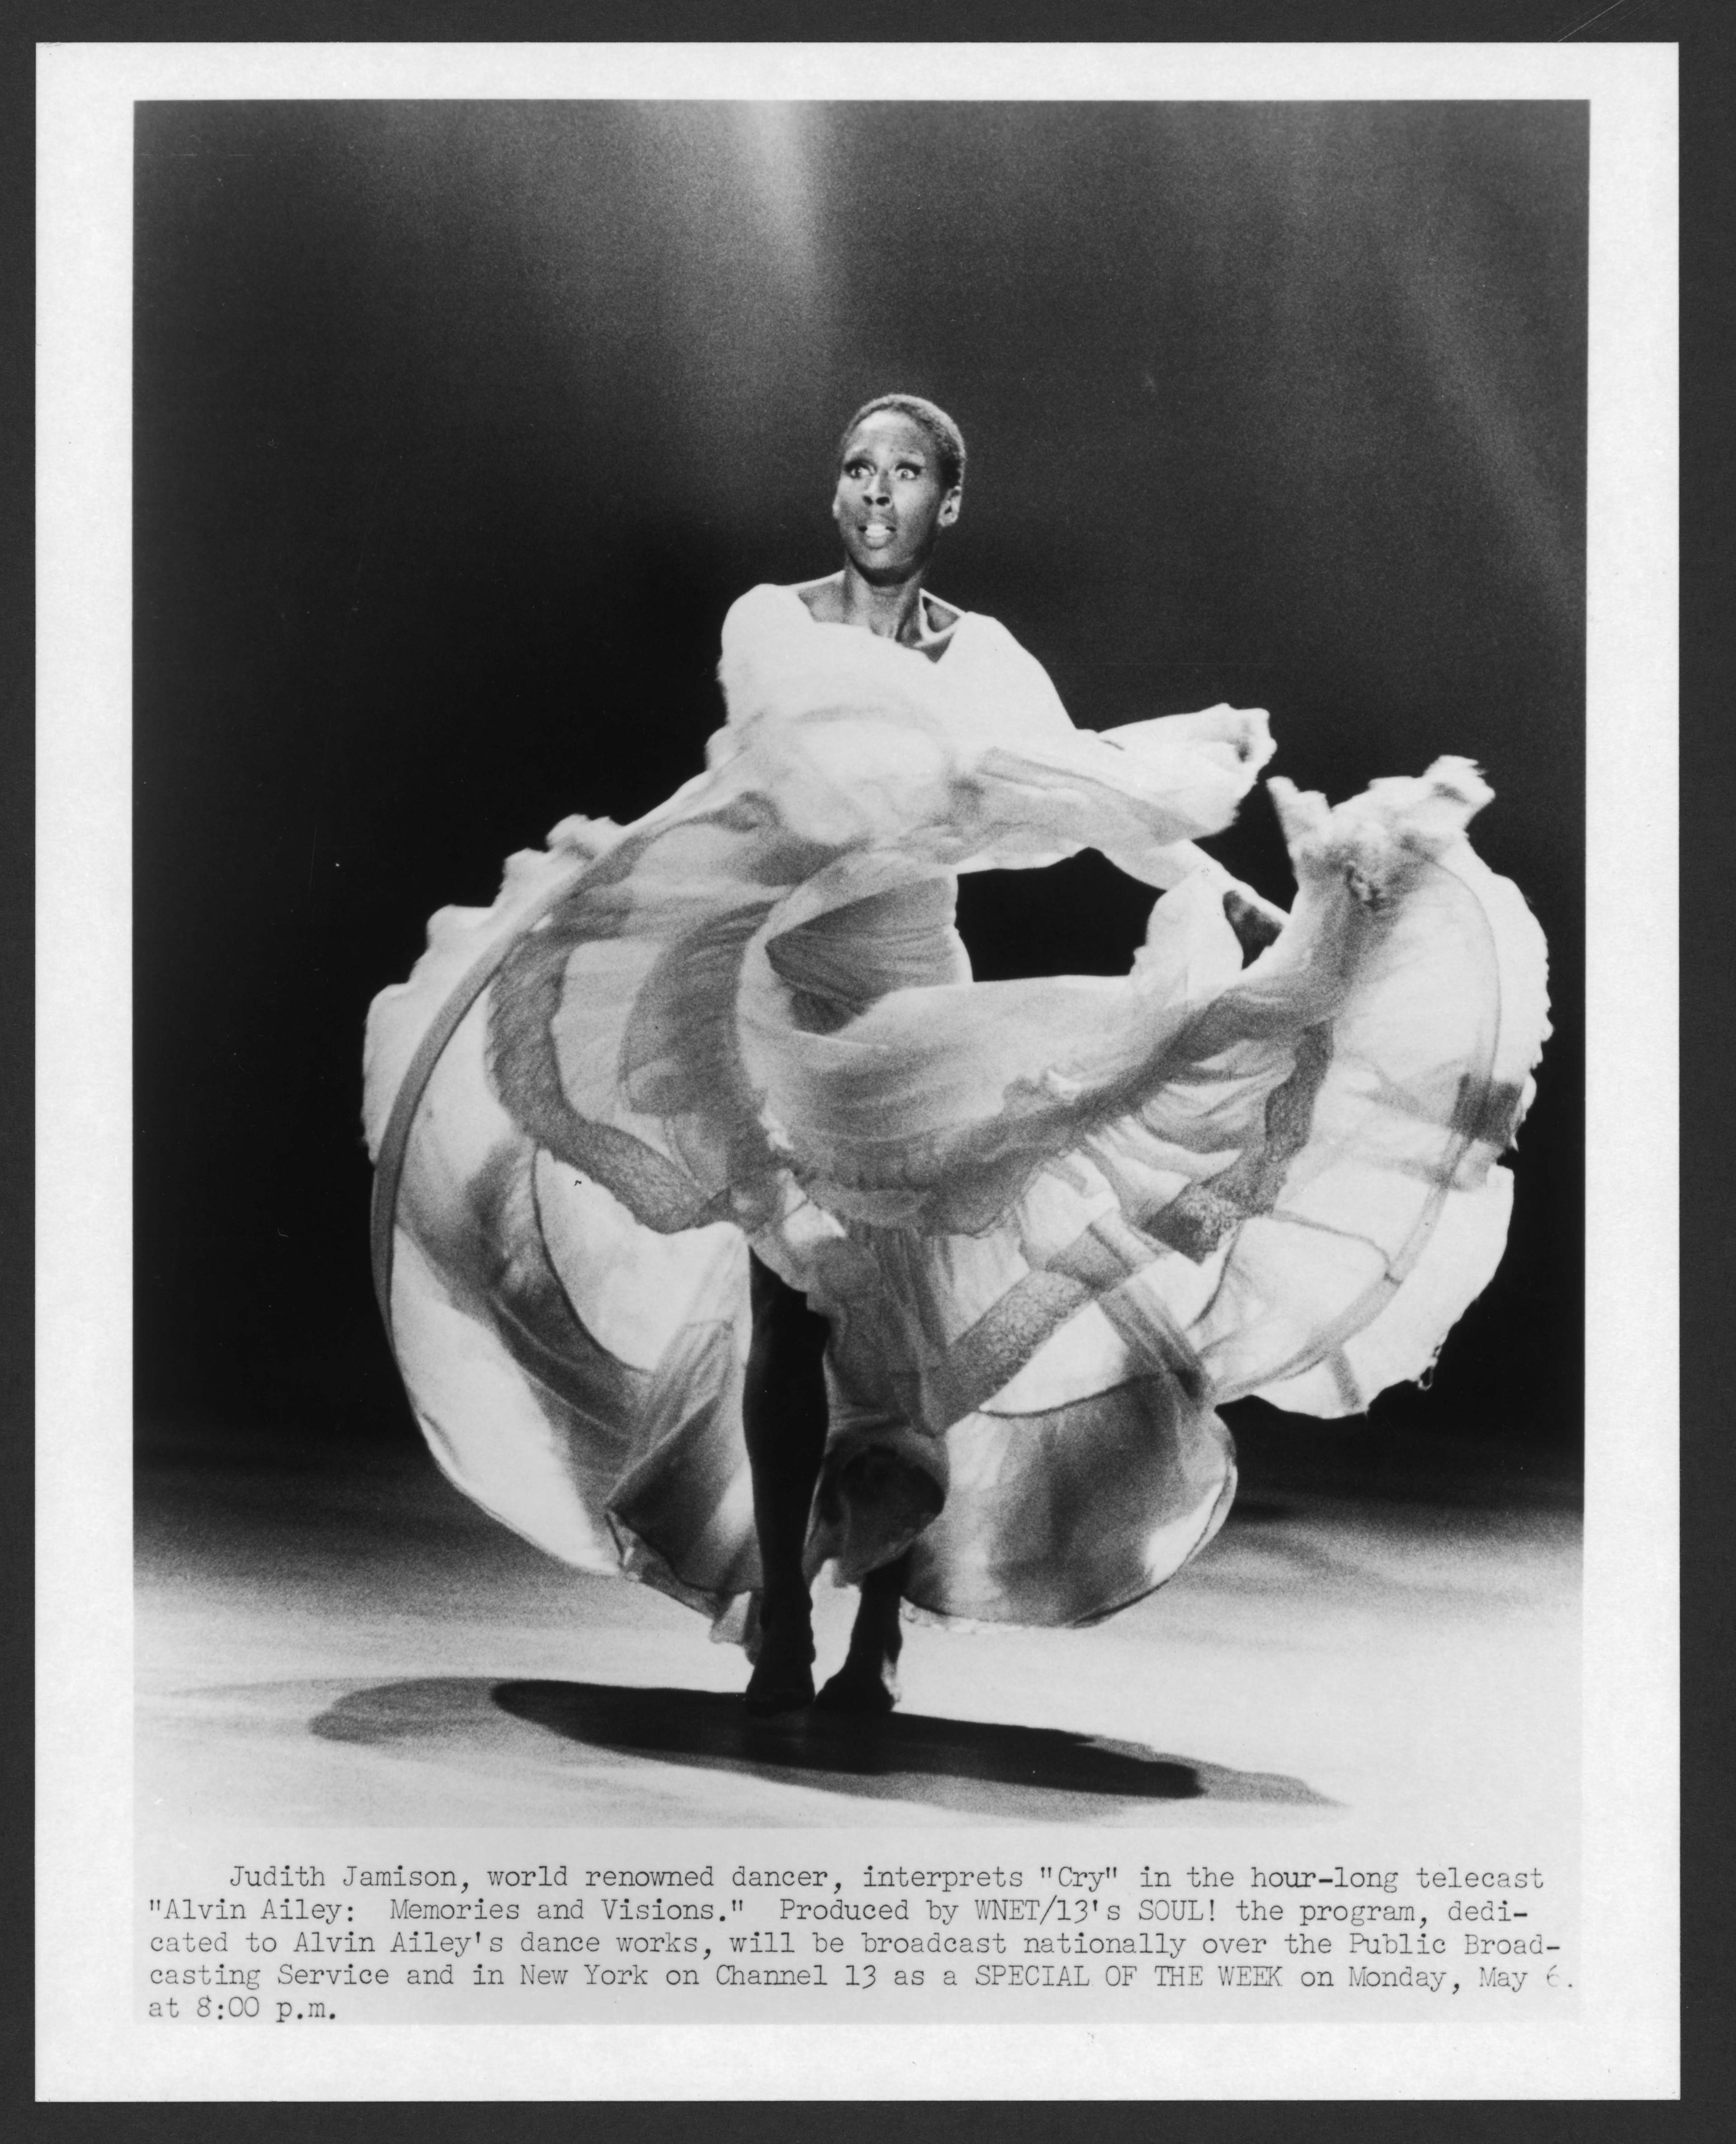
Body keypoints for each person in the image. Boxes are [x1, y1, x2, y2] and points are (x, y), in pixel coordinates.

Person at [363, 393, 1548, 1724]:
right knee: (788, 1304)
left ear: (949, 503)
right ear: (836, 496)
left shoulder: (986, 657)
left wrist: (1233, 896)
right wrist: (973, 767)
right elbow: (826, 762)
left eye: (908, 470)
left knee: (906, 1328)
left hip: (922, 1006)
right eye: (858, 469)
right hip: (785, 1002)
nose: (877, 492)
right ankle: (780, 1635)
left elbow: (1081, 790)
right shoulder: (773, 620)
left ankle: (876, 1633)